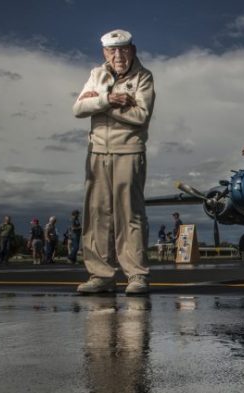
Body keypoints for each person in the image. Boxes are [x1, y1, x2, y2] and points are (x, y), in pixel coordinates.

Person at [73, 29, 155, 295]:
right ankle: (101, 275)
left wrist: (96, 103)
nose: (118, 55)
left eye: (123, 49)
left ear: (132, 49)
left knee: (129, 213)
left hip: (129, 150)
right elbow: (78, 109)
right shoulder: (97, 74)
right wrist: (109, 100)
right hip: (97, 151)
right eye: (112, 51)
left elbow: (141, 115)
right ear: (104, 53)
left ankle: (136, 275)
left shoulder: (143, 77)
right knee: (97, 214)